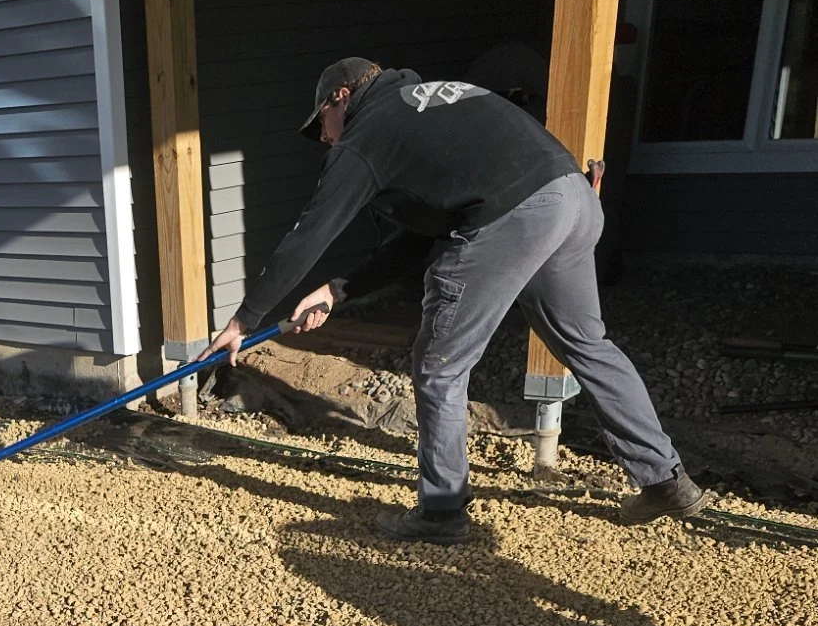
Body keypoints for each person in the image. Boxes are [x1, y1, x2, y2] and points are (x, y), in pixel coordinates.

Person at [211, 57, 705, 544]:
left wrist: (244, 320)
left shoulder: (367, 134)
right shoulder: (426, 106)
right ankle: (666, 479)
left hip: (515, 213)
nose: (323, 136)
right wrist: (339, 289)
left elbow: (307, 236)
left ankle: (442, 512)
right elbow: (418, 237)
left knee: (440, 365)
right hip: (571, 198)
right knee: (588, 345)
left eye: (320, 121)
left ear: (341, 97)